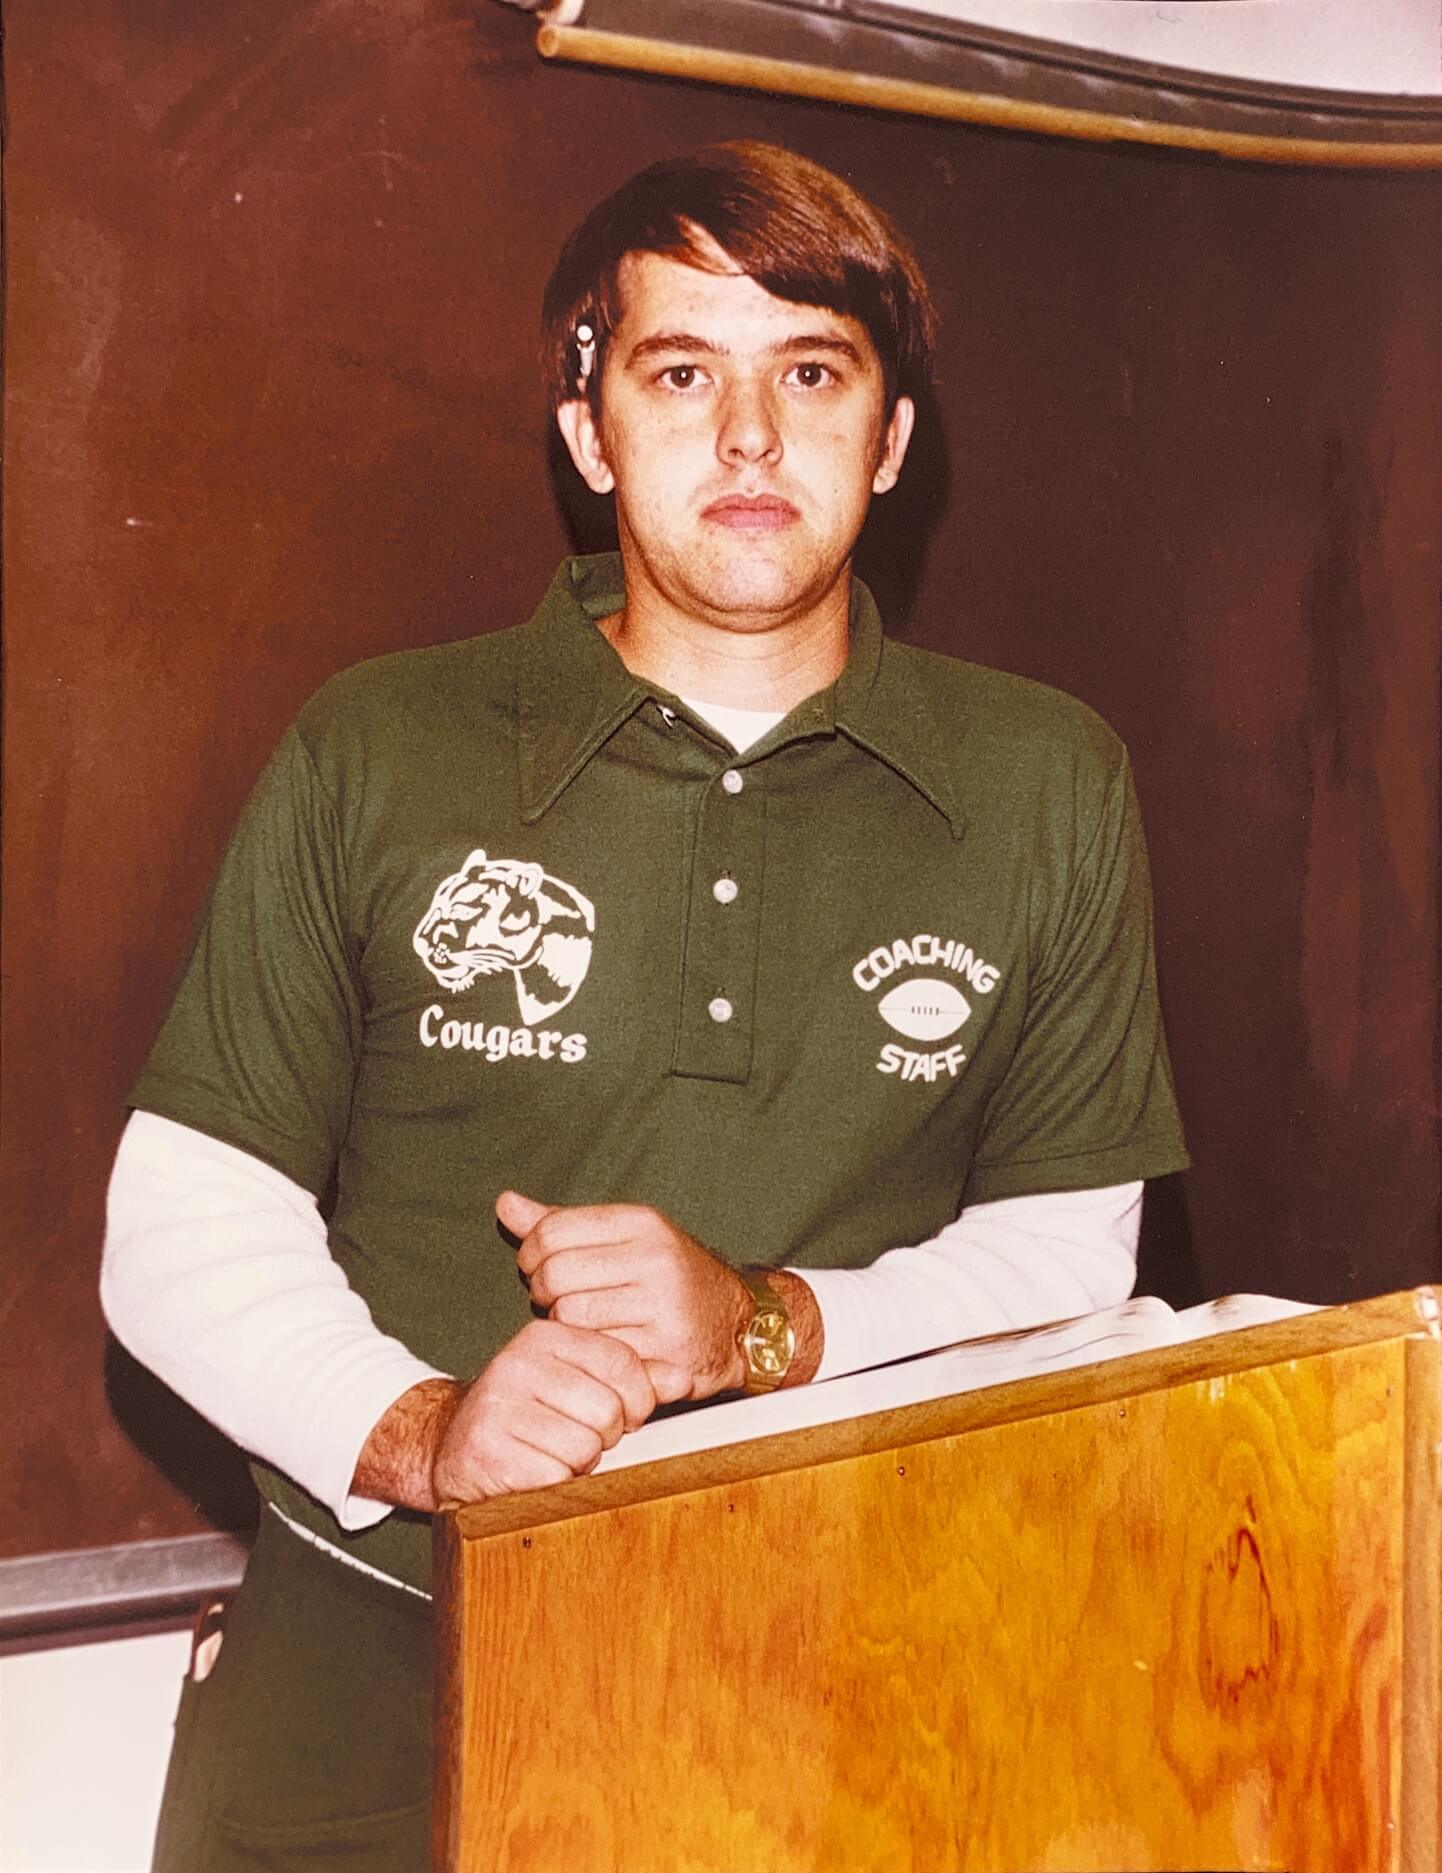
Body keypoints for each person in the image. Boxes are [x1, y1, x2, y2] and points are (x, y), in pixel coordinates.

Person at [103, 140, 1187, 1870]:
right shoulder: (378, 745)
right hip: (381, 1669)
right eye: (680, 372)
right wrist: (427, 1429)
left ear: (891, 440)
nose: (749, 437)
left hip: (839, 1670)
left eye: (810, 373)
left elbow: (1070, 1252)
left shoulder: (1045, 776)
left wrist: (760, 1321)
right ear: (587, 427)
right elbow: (178, 1225)